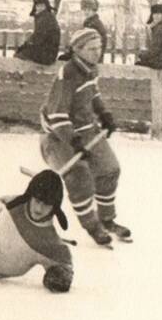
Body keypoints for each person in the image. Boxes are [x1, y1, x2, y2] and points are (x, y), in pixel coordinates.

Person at [38, 28, 126, 247]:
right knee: (79, 176)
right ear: (78, 50)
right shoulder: (67, 74)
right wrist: (74, 141)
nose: (97, 52)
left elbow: (92, 94)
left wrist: (104, 114)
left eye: (99, 48)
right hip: (58, 137)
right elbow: (57, 115)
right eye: (92, 48)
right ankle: (92, 225)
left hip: (87, 130)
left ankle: (107, 219)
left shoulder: (90, 69)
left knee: (109, 169)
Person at [15, 0, 61, 65]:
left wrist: (26, 45)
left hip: (46, 54)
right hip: (50, 53)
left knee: (20, 55)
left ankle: (23, 73)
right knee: (22, 52)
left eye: (41, 5)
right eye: (38, 5)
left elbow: (38, 38)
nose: (39, 8)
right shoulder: (47, 17)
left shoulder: (44, 18)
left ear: (45, 6)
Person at [136, 4, 162, 70]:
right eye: (154, 13)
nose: (156, 16)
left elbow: (155, 49)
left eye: (159, 14)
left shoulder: (161, 28)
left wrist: (142, 55)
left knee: (138, 64)